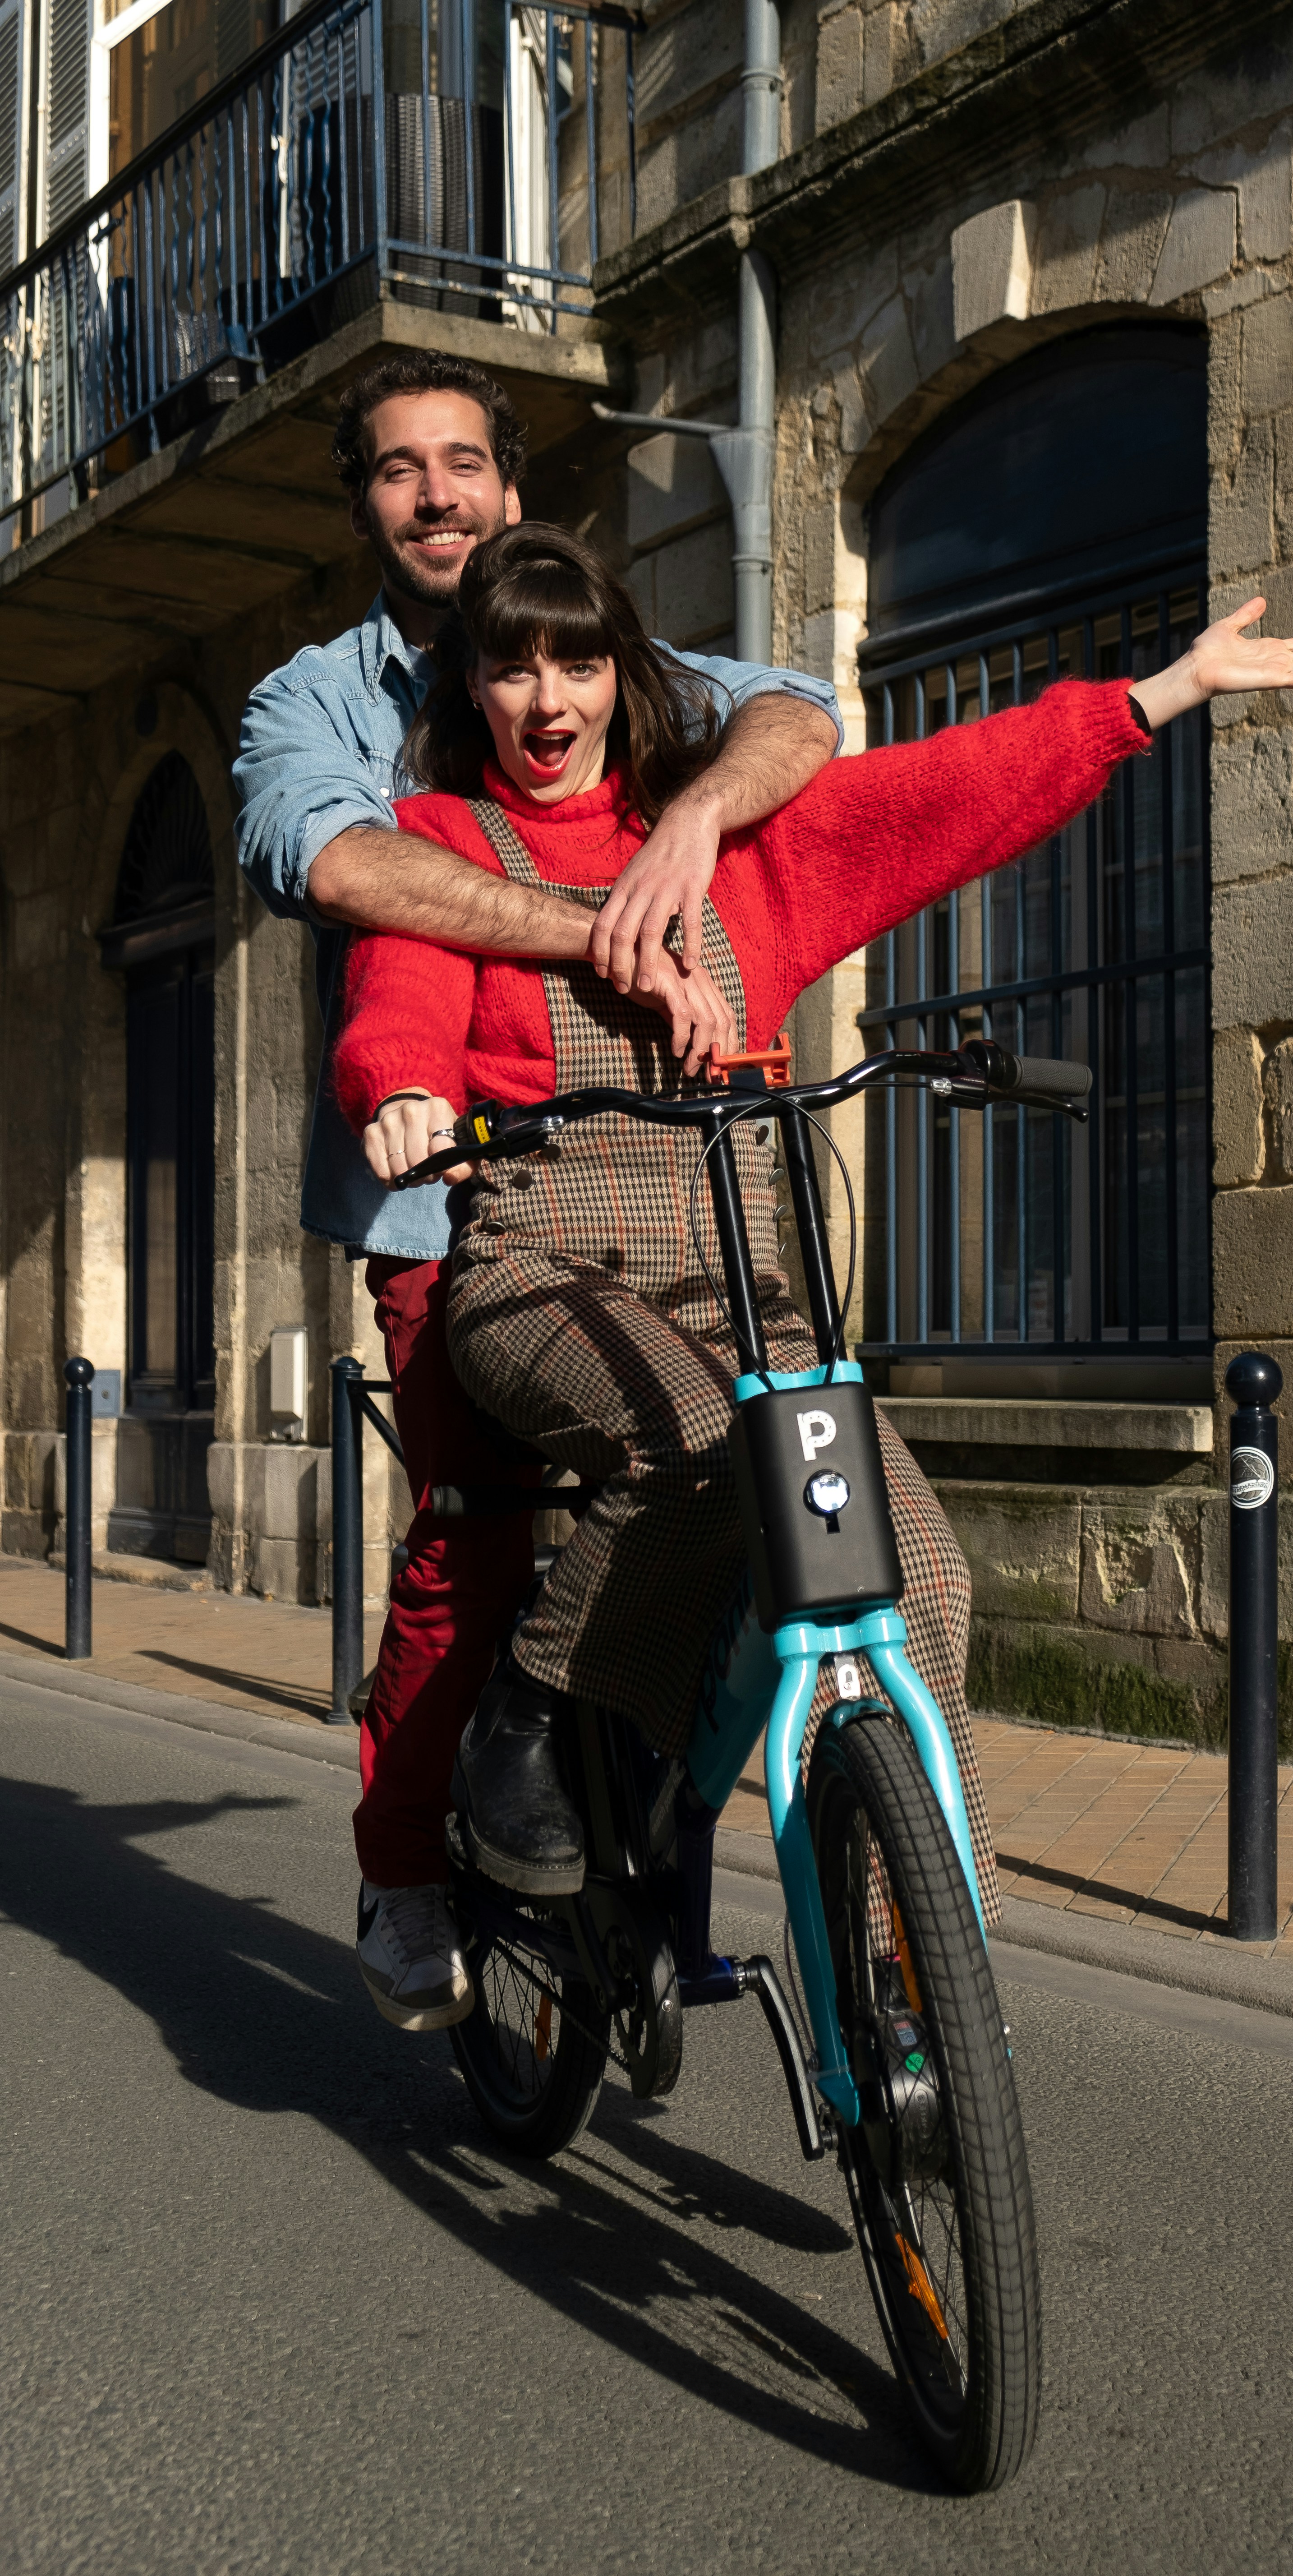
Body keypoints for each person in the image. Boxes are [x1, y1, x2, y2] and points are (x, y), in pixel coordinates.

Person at [331, 522, 1293, 1926]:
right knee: (706, 1451)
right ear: (475, 696)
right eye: (512, 670)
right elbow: (401, 983)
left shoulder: (731, 855)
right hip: (542, 1268)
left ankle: (918, 1971)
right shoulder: (448, 840)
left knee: (919, 1572)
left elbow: (947, 789)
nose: (548, 698)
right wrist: (398, 1090)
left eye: (577, 660)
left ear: (623, 675)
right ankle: (534, 1694)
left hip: (741, 1286)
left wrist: (1158, 696)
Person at [232, 353, 845, 2032]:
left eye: (462, 463)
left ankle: (656, 1831)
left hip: (646, 1194)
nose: (435, 494)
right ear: (363, 504)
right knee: (479, 1542)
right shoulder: (319, 699)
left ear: (508, 486)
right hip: (448, 1202)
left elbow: (802, 710)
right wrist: (600, 926)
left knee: (748, 1496)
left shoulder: (580, 642)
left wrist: (688, 825)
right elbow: (342, 860)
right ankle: (409, 1854)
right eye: (396, 471)